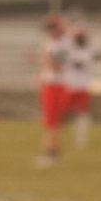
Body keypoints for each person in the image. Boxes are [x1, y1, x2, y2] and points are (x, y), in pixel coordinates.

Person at [36, 13, 69, 167]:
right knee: (52, 122)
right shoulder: (52, 43)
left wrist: (48, 61)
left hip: (56, 84)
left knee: (53, 122)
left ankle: (51, 154)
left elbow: (58, 66)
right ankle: (52, 152)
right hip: (51, 84)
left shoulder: (61, 44)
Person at [64, 23, 96, 149]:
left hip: (82, 87)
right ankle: (61, 135)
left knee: (83, 114)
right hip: (69, 86)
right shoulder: (68, 50)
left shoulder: (90, 49)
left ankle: (81, 138)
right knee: (64, 113)